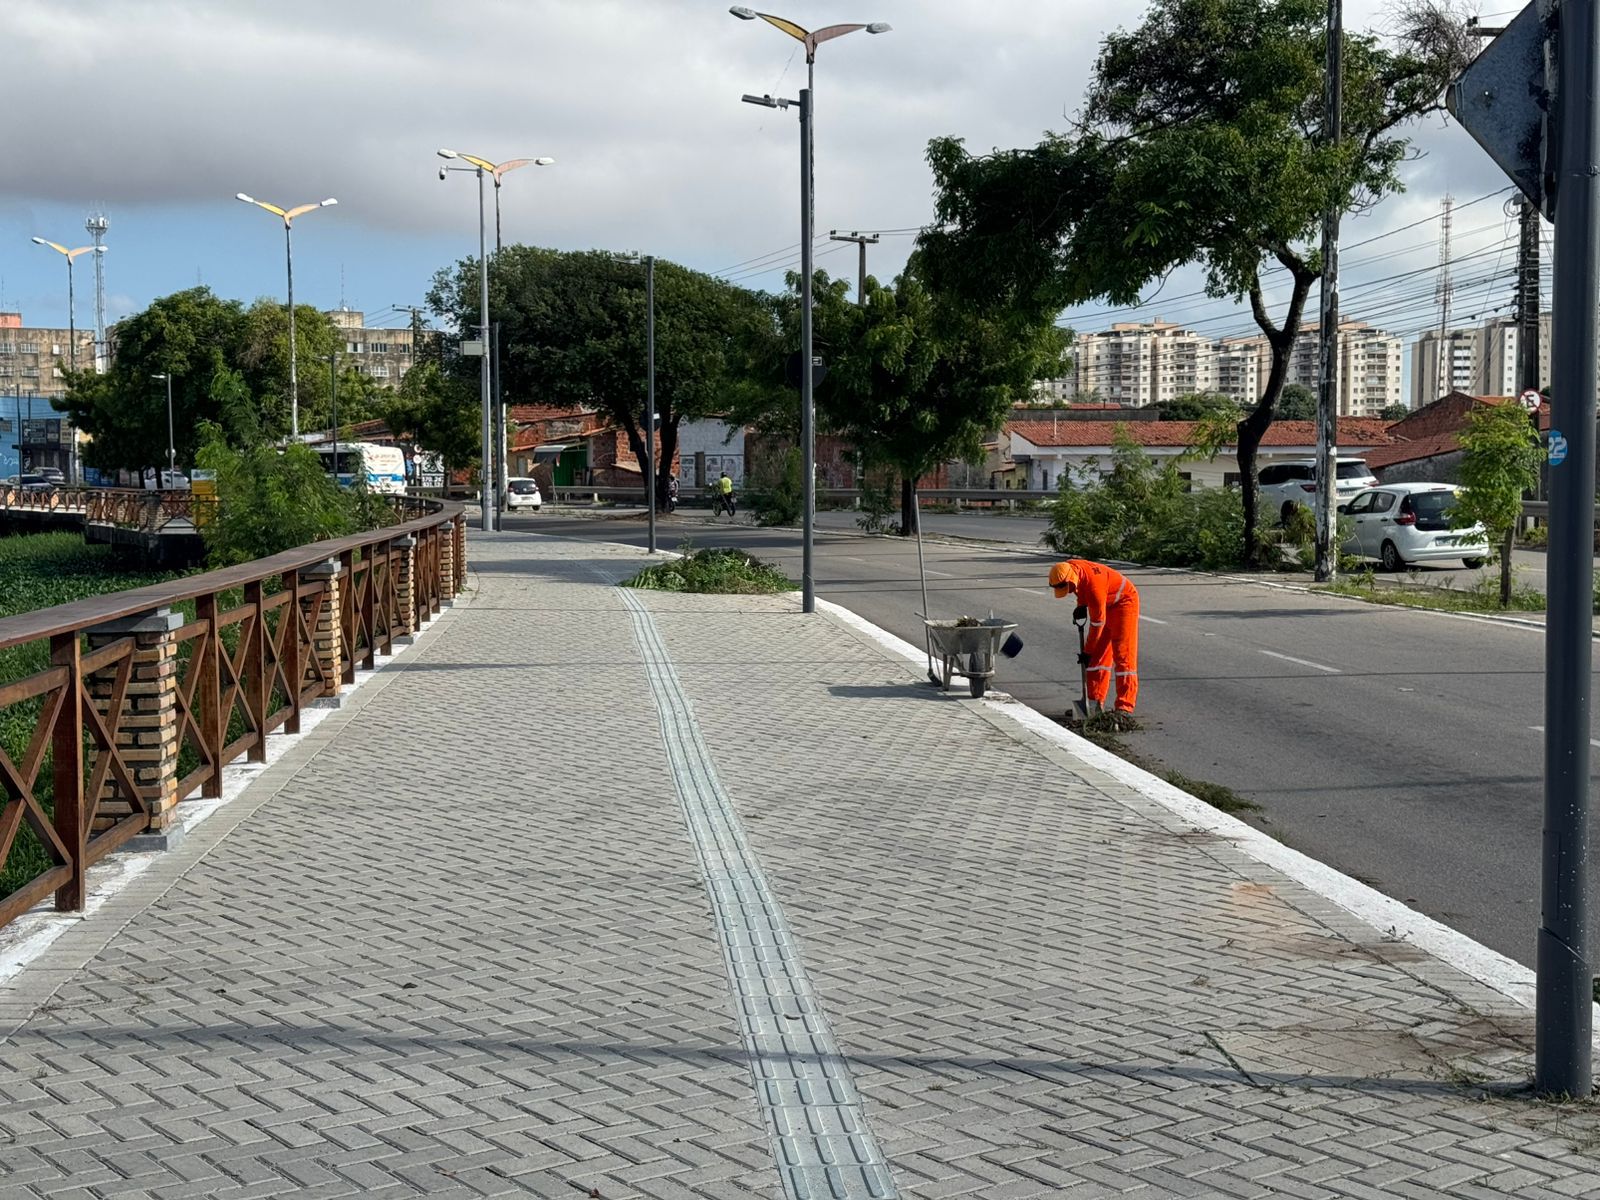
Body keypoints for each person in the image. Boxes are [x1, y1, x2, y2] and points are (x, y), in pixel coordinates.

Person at [1048, 559, 1140, 714]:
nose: (1069, 592)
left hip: (1124, 602)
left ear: (1071, 579)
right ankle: (1093, 704)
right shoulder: (1072, 567)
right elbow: (1081, 588)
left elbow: (1098, 623)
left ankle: (1125, 706)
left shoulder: (1094, 587)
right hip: (1106, 603)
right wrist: (1081, 605)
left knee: (1122, 654)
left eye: (1068, 589)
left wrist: (1087, 651)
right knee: (1097, 658)